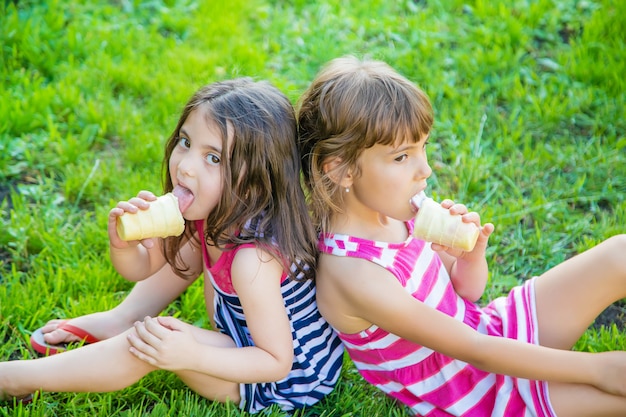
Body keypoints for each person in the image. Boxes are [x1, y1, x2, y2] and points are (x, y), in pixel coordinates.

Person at [295, 55, 626, 417]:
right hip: (477, 392)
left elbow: (468, 294)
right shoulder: (354, 274)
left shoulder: (400, 212)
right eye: (402, 157)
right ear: (341, 170)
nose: (426, 169)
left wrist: (470, 257)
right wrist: (600, 369)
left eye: (423, 148)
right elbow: (473, 350)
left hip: (491, 331)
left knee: (620, 254)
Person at [0, 78, 344, 413]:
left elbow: (275, 362)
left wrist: (190, 355)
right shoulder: (212, 212)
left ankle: (15, 379)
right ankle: (123, 317)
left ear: (256, 180)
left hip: (282, 380)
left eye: (214, 158)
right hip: (242, 347)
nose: (186, 166)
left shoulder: (254, 259)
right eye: (185, 142)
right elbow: (144, 268)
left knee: (153, 341)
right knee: (191, 253)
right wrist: (123, 245)